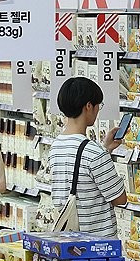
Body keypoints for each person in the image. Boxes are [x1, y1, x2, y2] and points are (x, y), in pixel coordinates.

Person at [50, 77, 127, 238]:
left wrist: (105, 149)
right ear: (88, 106)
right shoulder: (94, 153)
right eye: (99, 105)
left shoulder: (56, 145)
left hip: (68, 240)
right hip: (96, 245)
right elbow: (120, 198)